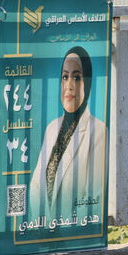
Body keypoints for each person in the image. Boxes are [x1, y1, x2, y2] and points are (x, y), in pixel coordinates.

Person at [28, 47, 107, 224]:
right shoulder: (52, 128)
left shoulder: (98, 132)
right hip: (44, 230)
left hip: (74, 231)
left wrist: (63, 229)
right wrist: (43, 224)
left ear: (88, 83)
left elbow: (94, 198)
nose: (69, 85)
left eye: (77, 77)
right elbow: (35, 187)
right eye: (65, 77)